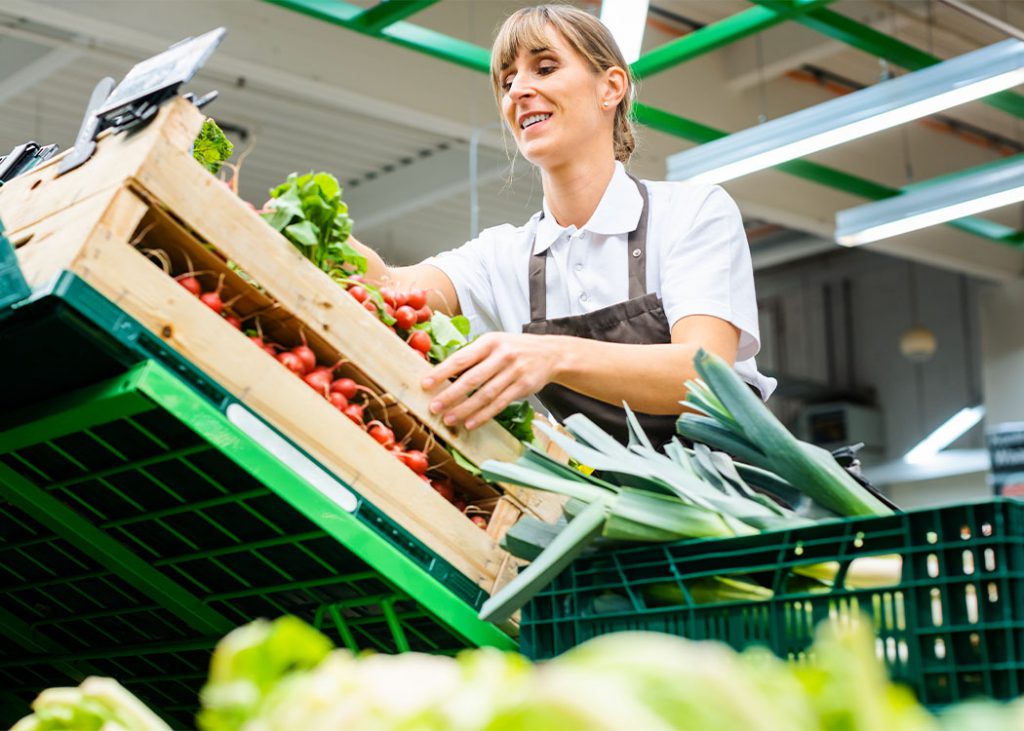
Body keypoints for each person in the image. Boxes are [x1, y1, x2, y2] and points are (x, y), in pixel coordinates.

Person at [347, 4, 776, 447]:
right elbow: (392, 292)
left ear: (610, 87)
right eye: (508, 81)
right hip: (615, 508)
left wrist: (552, 354)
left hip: (742, 501)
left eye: (544, 68)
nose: (518, 91)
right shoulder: (503, 258)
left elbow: (705, 375)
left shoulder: (691, 212)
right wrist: (304, 223)